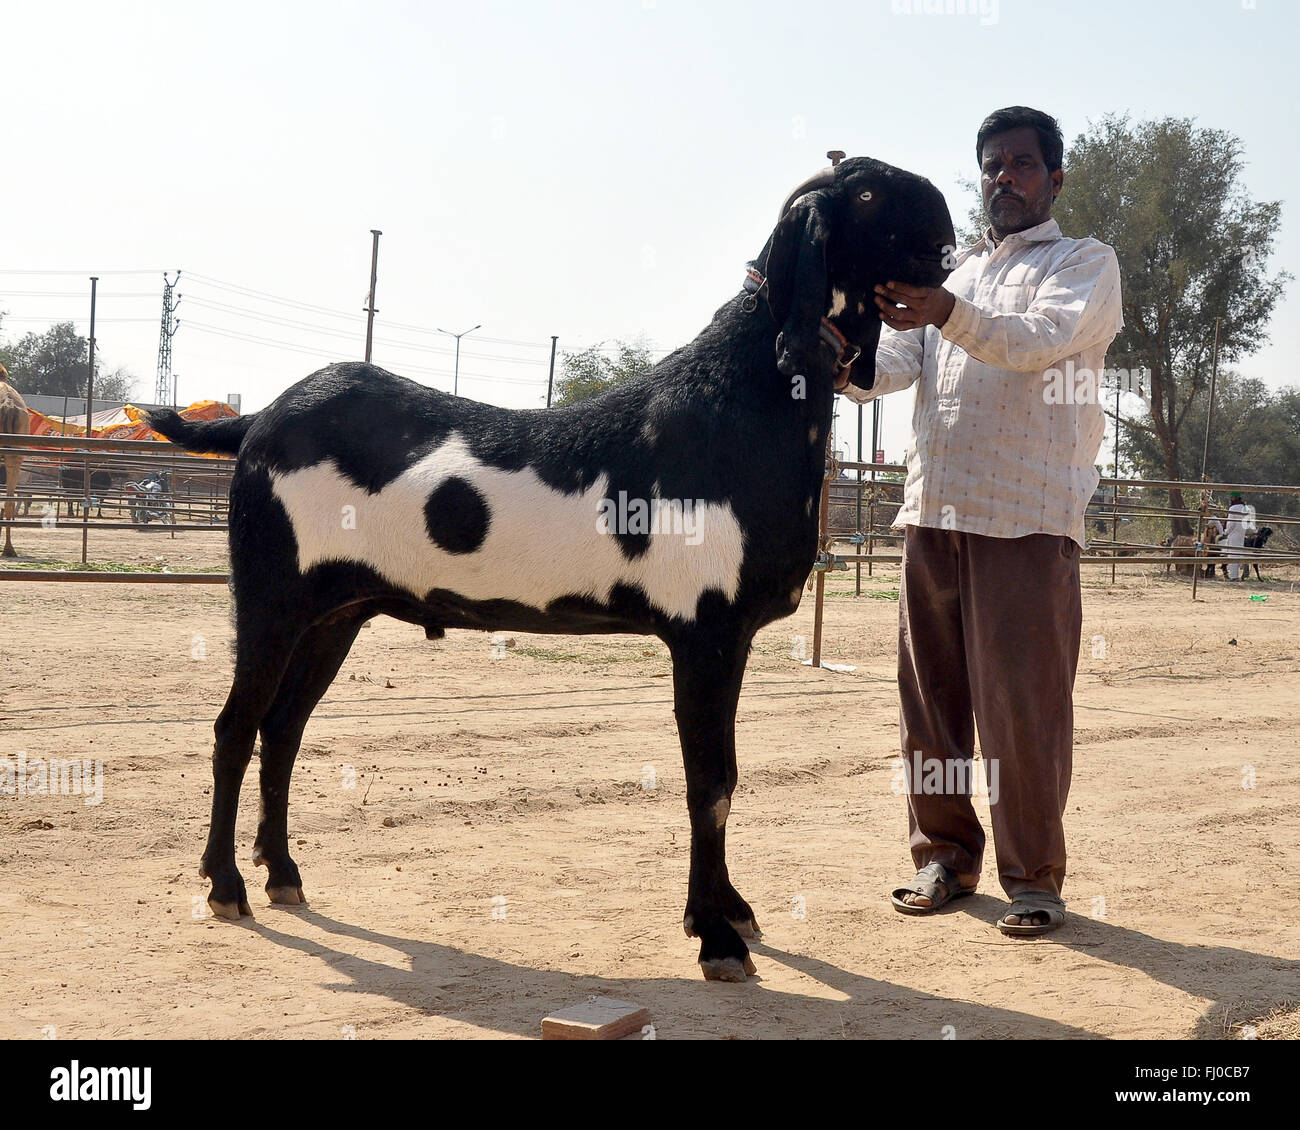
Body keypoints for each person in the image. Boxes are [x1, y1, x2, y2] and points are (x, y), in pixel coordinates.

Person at [835, 106, 1123, 935]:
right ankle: (941, 859)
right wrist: (837, 348)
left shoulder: (1083, 263)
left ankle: (1033, 879)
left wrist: (941, 310)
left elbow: (1036, 341)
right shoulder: (956, 276)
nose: (1005, 178)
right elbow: (894, 366)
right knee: (931, 704)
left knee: (1021, 710)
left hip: (1026, 519)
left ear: (1055, 177)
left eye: (1022, 164)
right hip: (932, 513)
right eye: (992, 165)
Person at [1224, 492, 1252, 581]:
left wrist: (1226, 532)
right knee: (1239, 552)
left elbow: (1230, 524)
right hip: (1241, 534)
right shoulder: (1245, 508)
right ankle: (1244, 566)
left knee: (1232, 555)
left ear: (1233, 498)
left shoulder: (1233, 508)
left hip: (1233, 534)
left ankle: (1234, 577)